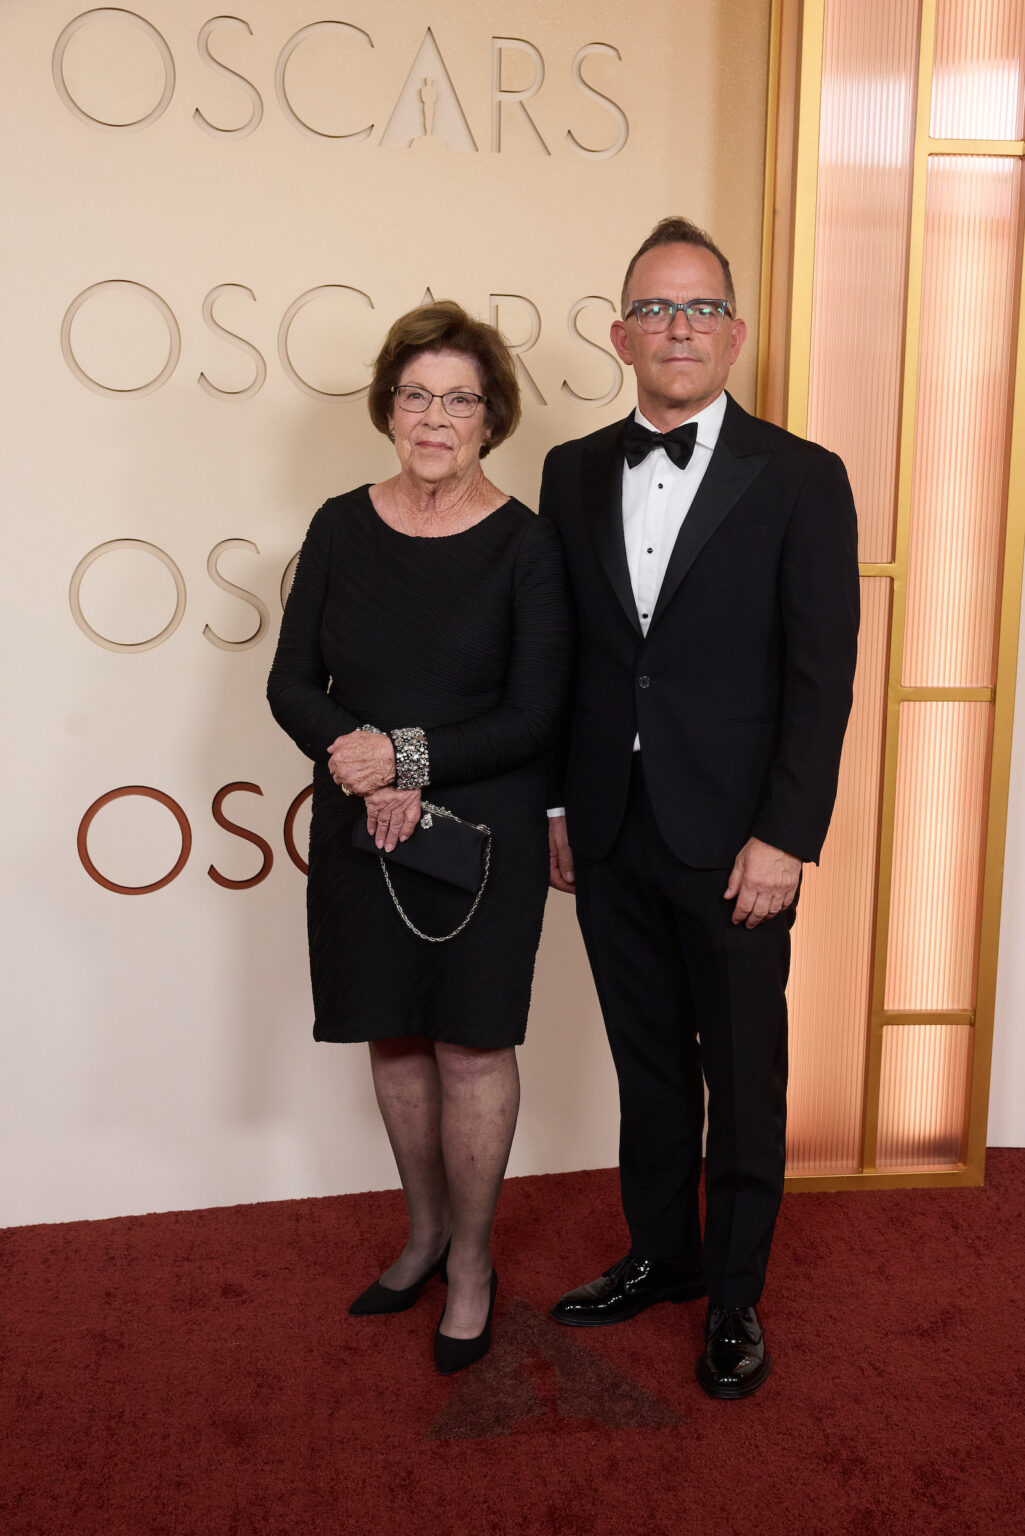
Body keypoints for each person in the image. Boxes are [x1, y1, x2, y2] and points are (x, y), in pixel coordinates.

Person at [541, 218, 859, 1398]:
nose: (677, 329)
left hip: (735, 844)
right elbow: (570, 658)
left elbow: (820, 678)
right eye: (655, 309)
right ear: (620, 332)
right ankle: (660, 1256)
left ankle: (732, 1302)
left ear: (733, 332)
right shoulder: (570, 470)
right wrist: (559, 815)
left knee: (743, 1072)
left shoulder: (801, 476)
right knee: (647, 1066)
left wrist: (783, 835)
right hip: (609, 826)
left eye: (700, 309)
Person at [267, 301, 571, 1374]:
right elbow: (291, 682)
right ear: (386, 408)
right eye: (414, 396)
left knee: (469, 1043)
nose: (433, 417)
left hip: (477, 834)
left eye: (457, 399)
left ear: (490, 419)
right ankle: (424, 1235)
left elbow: (537, 713)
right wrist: (362, 757)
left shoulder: (526, 544)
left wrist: (407, 760)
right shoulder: (338, 524)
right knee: (392, 1036)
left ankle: (475, 1264)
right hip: (359, 817)